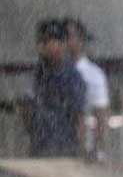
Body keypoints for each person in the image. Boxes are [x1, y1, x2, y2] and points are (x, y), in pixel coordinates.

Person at [23, 19, 86, 157]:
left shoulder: (72, 77)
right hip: (39, 148)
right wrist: (35, 134)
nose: (41, 47)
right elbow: (27, 108)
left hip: (65, 148)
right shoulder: (35, 75)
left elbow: (79, 117)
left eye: (46, 42)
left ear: (62, 44)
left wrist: (80, 150)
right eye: (40, 42)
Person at [65, 18, 110, 162]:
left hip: (84, 149)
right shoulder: (47, 73)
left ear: (81, 40)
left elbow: (101, 116)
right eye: (62, 37)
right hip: (54, 147)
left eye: (69, 36)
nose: (65, 41)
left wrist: (97, 150)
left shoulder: (94, 74)